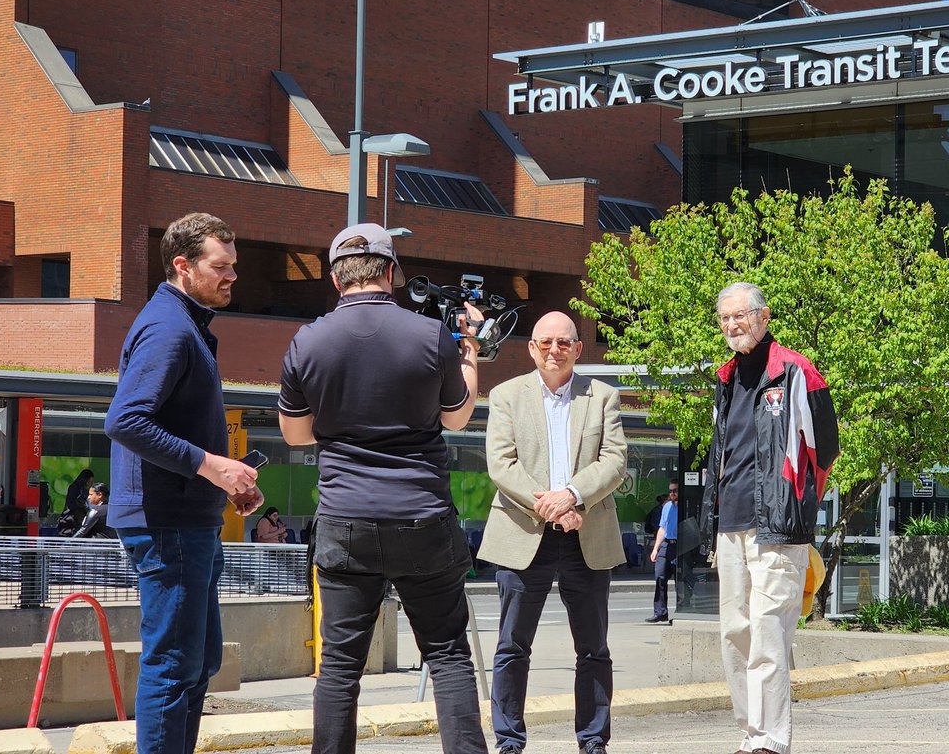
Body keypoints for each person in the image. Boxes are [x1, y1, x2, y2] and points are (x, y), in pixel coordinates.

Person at [277, 223, 486, 754]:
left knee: (340, 668)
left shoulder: (308, 341)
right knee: (447, 656)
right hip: (421, 515)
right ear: (391, 273)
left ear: (333, 277)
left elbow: (297, 435)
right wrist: (470, 355)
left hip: (346, 518)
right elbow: (458, 418)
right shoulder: (428, 335)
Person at [105, 212, 264, 754]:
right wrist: (212, 465)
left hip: (187, 520)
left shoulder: (186, 324)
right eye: (221, 267)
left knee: (199, 662)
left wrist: (228, 480)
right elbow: (125, 420)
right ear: (182, 265)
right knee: (175, 665)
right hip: (166, 524)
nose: (231, 277)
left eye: (233, 267)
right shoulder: (169, 327)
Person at [697, 282, 839, 754]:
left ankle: (771, 740)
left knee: (768, 633)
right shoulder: (724, 379)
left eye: (742, 315)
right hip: (730, 528)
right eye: (726, 319)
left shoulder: (796, 372)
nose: (734, 325)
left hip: (776, 529)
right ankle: (750, 733)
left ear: (764, 316)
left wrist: (797, 506)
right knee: (735, 634)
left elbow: (826, 449)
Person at [477, 311, 627, 754]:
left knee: (594, 649)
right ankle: (509, 741)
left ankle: (593, 741)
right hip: (524, 535)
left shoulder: (602, 396)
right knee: (511, 648)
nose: (554, 350)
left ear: (579, 349)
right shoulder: (506, 396)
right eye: (545, 342)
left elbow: (615, 462)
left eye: (564, 342)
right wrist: (553, 506)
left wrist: (574, 496)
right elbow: (502, 464)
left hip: (587, 535)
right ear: (531, 348)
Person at [646, 481, 680, 624]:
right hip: (667, 544)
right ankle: (660, 612)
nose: (672, 494)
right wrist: (656, 548)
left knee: (680, 580)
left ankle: (681, 611)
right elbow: (662, 528)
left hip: (679, 545)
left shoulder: (684, 506)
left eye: (675, 491)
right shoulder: (666, 507)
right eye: (670, 491)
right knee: (660, 576)